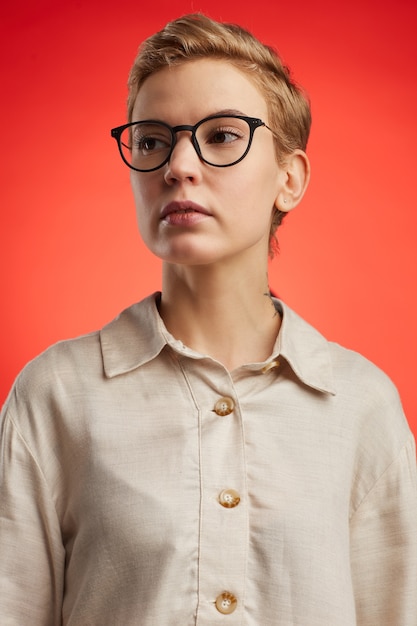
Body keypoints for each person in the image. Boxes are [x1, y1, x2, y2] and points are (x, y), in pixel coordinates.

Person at [0, 13, 416, 626]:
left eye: (222, 135)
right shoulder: (54, 395)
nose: (178, 166)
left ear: (290, 179)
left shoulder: (361, 406)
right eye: (151, 139)